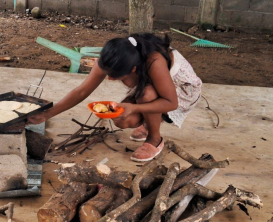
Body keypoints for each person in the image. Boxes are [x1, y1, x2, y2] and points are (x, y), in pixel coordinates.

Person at [28, 33, 203, 162]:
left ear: (134, 69)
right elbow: (81, 91)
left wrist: (134, 107)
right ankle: (149, 121)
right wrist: (47, 114)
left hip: (181, 93)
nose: (110, 79)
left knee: (145, 95)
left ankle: (155, 139)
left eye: (116, 77)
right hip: (151, 88)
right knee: (122, 120)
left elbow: (171, 103)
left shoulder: (154, 61)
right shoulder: (111, 58)